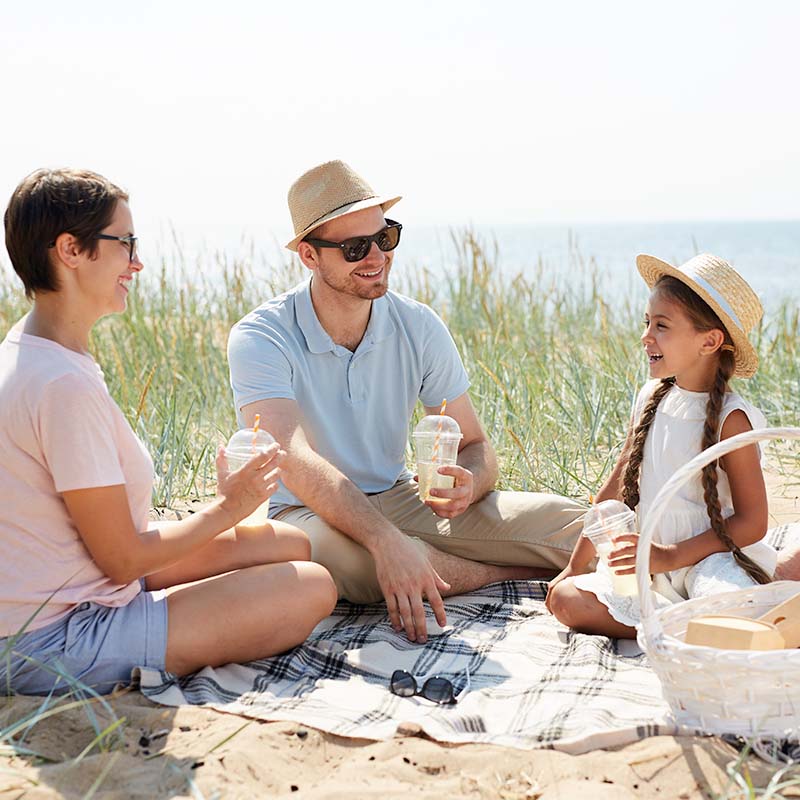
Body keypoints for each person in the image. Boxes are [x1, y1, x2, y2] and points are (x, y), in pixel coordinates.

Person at [0, 168, 337, 695]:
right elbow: (123, 559)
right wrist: (229, 507)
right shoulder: (61, 385)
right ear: (70, 250)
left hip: (76, 587)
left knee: (291, 543)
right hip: (54, 638)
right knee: (311, 588)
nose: (136, 262)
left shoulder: (36, 351)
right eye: (125, 243)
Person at [227, 159, 585, 644]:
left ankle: (437, 560)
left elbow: (477, 444)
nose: (376, 256)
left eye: (386, 237)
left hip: (400, 498)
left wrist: (469, 482)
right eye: (354, 247)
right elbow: (291, 457)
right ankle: (503, 574)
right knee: (357, 567)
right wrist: (384, 541)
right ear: (309, 256)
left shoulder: (418, 325)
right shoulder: (261, 336)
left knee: (569, 523)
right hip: (304, 511)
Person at [546, 253, 776, 638]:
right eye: (647, 322)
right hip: (650, 564)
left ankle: (693, 626)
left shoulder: (731, 420)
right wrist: (576, 566)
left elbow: (753, 522)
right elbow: (615, 489)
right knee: (566, 599)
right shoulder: (651, 397)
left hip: (713, 560)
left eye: (662, 325)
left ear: (710, 341)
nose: (646, 335)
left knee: (731, 611)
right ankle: (686, 627)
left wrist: (670, 556)